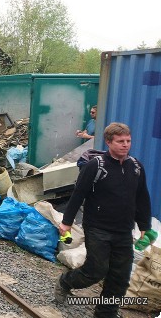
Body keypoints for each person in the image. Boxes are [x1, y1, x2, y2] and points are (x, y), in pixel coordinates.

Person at [55, 122, 151, 318]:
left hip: (124, 231)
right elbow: (78, 194)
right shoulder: (96, 166)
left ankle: (105, 312)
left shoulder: (136, 168)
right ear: (109, 142)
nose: (125, 145)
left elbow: (142, 198)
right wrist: (66, 222)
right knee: (96, 270)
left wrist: (144, 226)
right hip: (98, 228)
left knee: (120, 277)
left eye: (128, 141)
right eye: (120, 141)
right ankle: (66, 281)